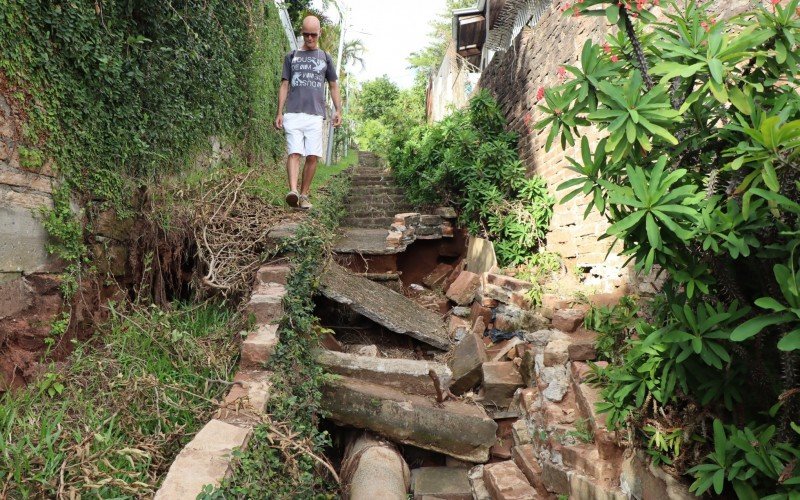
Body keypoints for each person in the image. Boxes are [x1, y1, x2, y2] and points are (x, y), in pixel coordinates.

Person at [275, 15, 342, 210]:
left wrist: (338, 110)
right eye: (306, 35)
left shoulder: (325, 57)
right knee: (294, 152)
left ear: (320, 33)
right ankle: (293, 191)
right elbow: (284, 84)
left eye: (313, 35)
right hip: (293, 113)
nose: (310, 39)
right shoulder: (292, 56)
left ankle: (304, 194)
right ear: (302, 33)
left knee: (312, 156)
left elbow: (333, 85)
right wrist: (279, 112)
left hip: (315, 114)